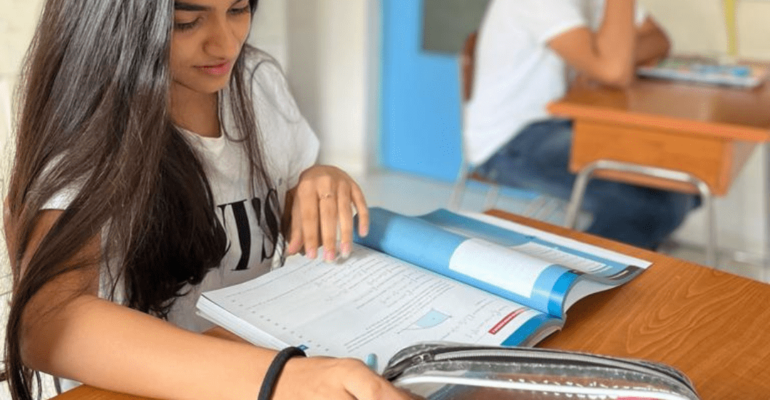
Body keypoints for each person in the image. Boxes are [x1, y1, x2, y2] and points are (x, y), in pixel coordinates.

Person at [1, 1, 411, 399]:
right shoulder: (91, 130)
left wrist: (316, 181)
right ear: (114, 26)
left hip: (261, 358)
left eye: (237, 10)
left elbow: (284, 221)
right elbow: (47, 325)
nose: (226, 44)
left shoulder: (255, 79)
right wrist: (279, 379)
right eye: (187, 22)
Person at [466, 0, 699, 250]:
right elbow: (614, 72)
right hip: (512, 140)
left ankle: (634, 247)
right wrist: (605, 60)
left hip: (566, 124)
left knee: (683, 177)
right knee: (651, 204)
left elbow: (658, 40)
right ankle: (578, 275)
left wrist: (606, 57)